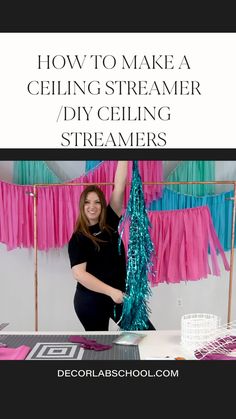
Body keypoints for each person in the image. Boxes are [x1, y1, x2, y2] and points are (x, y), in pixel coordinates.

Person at [68, 161, 156, 331]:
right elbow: (80, 275)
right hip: (90, 301)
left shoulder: (110, 220)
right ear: (82, 206)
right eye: (87, 202)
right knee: (100, 348)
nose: (92, 207)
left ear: (102, 205)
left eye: (97, 202)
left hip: (118, 297)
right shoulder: (78, 239)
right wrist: (111, 292)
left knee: (147, 334)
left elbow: (120, 187)